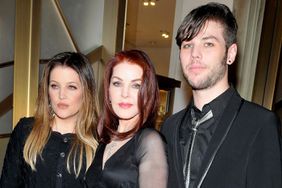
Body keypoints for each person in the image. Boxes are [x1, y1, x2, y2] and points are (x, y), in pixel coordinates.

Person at [161, 2, 282, 188]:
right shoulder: (170, 127)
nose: (195, 54)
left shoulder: (259, 124)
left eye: (208, 43)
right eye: (187, 45)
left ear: (230, 53)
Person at [0, 52, 100, 187]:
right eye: (54, 86)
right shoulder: (26, 130)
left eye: (71, 87)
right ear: (47, 90)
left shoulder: (99, 139)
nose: (61, 95)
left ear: (86, 92)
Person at [85, 49, 168, 188]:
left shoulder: (150, 142)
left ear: (148, 93)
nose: (125, 94)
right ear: (108, 91)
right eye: (117, 83)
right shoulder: (103, 136)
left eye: (136, 85)